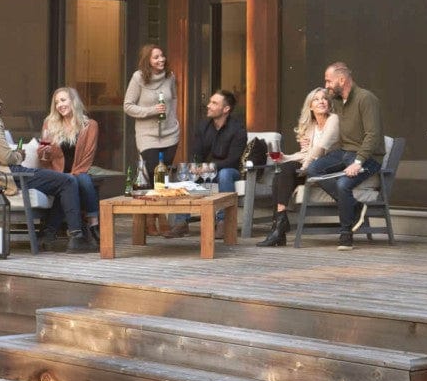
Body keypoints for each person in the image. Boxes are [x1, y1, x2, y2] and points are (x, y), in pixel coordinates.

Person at [0, 85, 97, 253]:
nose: (1, 101)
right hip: (3, 174)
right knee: (68, 181)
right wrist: (18, 154)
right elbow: (6, 158)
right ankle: (76, 238)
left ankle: (49, 235)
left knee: (64, 181)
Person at [306, 62, 384, 251]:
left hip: (369, 157)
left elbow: (372, 135)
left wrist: (358, 162)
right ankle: (355, 207)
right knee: (314, 169)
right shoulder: (338, 103)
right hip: (344, 152)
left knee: (342, 184)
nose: (326, 86)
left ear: (342, 79)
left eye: (329, 81)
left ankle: (346, 234)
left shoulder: (366, 99)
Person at [257, 87, 340, 247]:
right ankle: (279, 227)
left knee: (286, 171)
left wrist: (304, 167)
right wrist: (285, 157)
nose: (321, 101)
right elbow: (305, 153)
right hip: (310, 167)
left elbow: (319, 149)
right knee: (281, 173)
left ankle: (278, 228)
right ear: (310, 106)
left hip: (327, 168)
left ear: (329, 103)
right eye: (316, 99)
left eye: (324, 98)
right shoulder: (311, 126)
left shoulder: (333, 120)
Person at [163, 89, 247, 238]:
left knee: (225, 174)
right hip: (207, 171)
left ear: (226, 109)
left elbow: (233, 159)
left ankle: (223, 223)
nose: (208, 105)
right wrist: (195, 167)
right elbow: (196, 154)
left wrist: (210, 167)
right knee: (185, 171)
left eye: (214, 103)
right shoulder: (203, 126)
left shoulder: (237, 129)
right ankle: (182, 223)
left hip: (230, 171)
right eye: (210, 102)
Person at [123, 43, 178, 236]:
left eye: (162, 56)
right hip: (147, 136)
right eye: (156, 57)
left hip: (171, 135)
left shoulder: (170, 77)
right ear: (147, 61)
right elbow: (128, 106)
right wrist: (151, 111)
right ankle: (160, 218)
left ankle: (150, 218)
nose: (161, 60)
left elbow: (174, 101)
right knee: (156, 176)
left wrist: (173, 121)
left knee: (163, 178)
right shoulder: (138, 78)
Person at [38, 87, 100, 245]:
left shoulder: (89, 125)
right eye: (57, 102)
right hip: (56, 174)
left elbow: (88, 155)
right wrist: (44, 152)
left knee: (82, 180)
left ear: (73, 101)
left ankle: (91, 225)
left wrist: (73, 175)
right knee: (68, 183)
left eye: (63, 100)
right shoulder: (49, 123)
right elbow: (45, 161)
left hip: (79, 171)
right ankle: (90, 227)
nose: (60, 105)